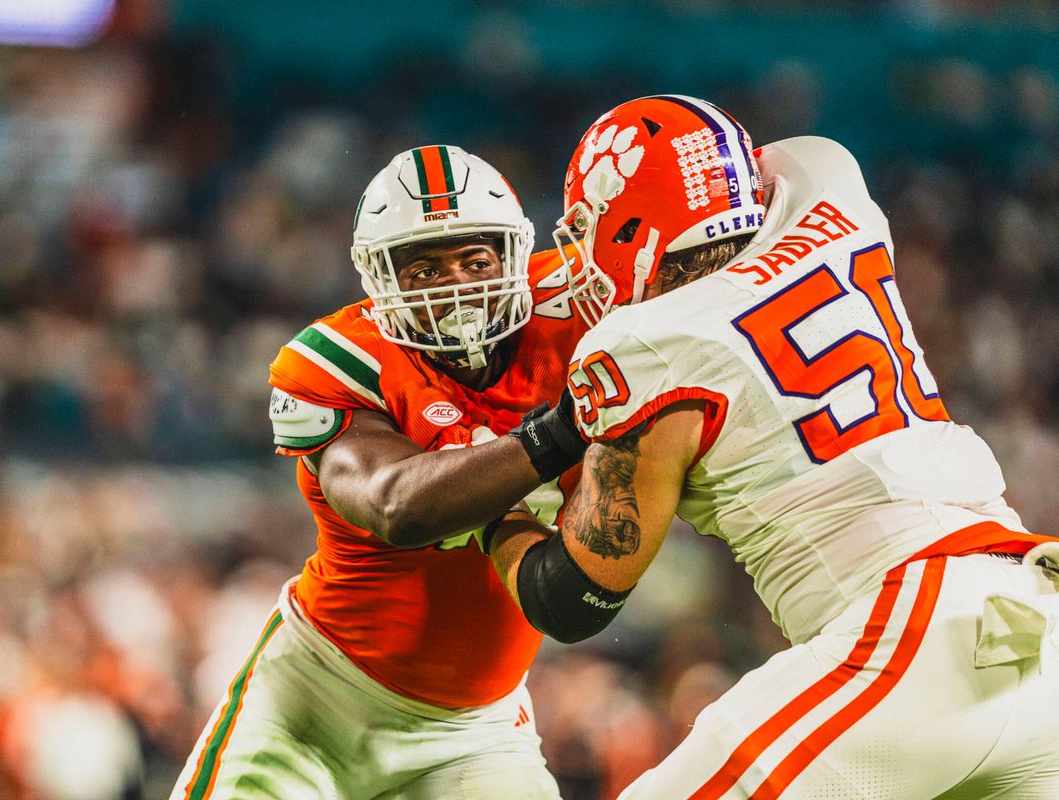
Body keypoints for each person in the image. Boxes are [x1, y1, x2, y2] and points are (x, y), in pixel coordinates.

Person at [487, 95, 1059, 799]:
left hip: (912, 632)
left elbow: (572, 598)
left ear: (633, 231)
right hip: (1035, 619)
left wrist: (492, 511)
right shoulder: (830, 184)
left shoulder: (641, 345)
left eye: (589, 228)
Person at [170, 145, 591, 800]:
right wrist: (562, 431)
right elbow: (397, 506)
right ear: (382, 280)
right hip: (316, 704)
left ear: (513, 256)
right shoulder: (339, 360)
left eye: (475, 261)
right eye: (425, 269)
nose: (457, 286)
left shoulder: (582, 304)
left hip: (475, 730)